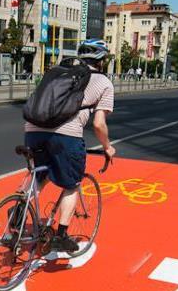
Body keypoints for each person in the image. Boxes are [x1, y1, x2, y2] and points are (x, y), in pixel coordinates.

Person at [24, 38, 116, 254]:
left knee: (39, 175)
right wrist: (108, 147)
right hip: (66, 136)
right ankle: (61, 236)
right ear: (102, 60)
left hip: (32, 129)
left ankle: (18, 215)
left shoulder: (59, 73)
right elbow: (99, 124)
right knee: (72, 184)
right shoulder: (104, 83)